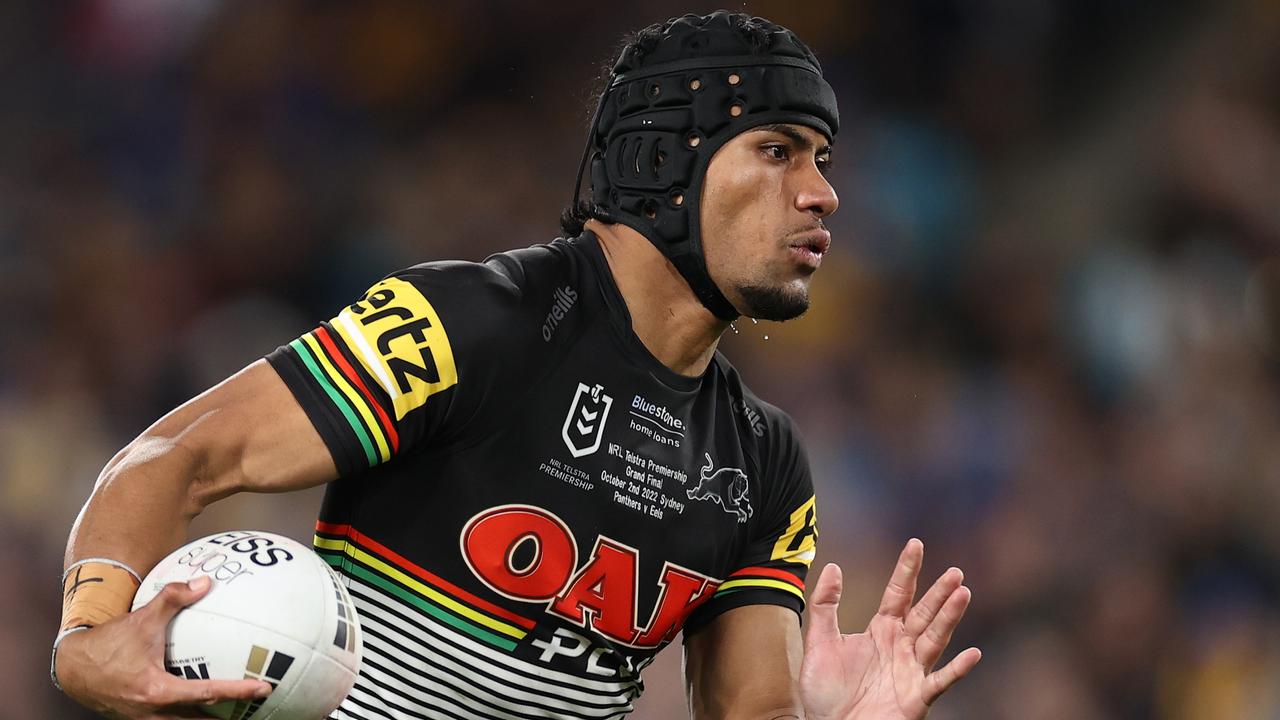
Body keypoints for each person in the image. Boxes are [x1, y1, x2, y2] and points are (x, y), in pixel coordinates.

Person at [52, 11, 980, 719]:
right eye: (777, 151)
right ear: (664, 161)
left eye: (820, 160)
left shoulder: (766, 467)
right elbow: (175, 459)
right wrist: (90, 635)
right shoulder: (473, 324)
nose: (823, 194)